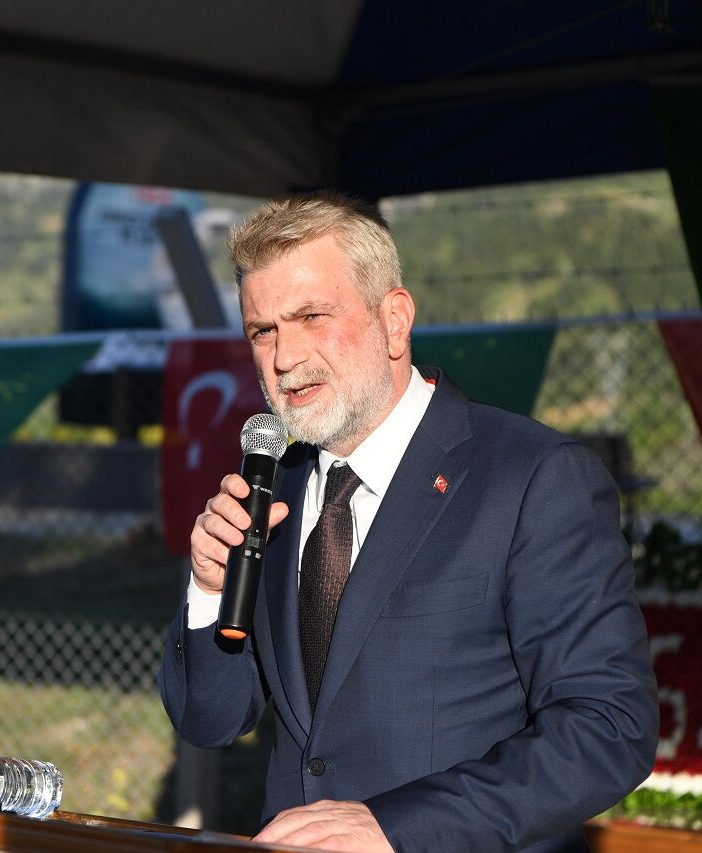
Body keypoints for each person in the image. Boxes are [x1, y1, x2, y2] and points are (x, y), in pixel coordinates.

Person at [157, 192, 658, 852]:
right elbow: (210, 720)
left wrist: (397, 826)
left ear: (394, 320)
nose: (283, 358)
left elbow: (609, 727)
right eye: (263, 331)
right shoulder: (272, 490)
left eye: (311, 316)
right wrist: (208, 589)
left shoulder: (532, 477)